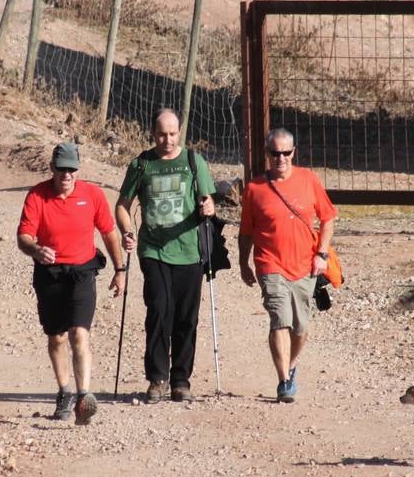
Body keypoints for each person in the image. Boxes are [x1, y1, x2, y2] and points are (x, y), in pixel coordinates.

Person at [17, 142, 126, 423]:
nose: (67, 175)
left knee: (79, 333)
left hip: (82, 272)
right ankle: (64, 391)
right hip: (50, 273)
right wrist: (36, 250)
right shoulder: (37, 196)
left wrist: (120, 269)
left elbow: (109, 233)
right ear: (52, 168)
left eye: (72, 170)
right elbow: (24, 236)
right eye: (62, 169)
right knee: (56, 336)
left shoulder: (92, 194)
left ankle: (83, 396)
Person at [115, 109, 216, 403]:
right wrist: (126, 230)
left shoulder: (194, 163)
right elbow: (122, 205)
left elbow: (207, 201)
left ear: (180, 132)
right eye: (162, 134)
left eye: (172, 134)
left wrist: (208, 207)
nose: (167, 140)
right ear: (152, 132)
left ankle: (181, 380)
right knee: (159, 309)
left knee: (187, 317)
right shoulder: (142, 164)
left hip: (189, 250)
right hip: (153, 248)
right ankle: (157, 378)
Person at [237, 128, 337, 404]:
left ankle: (291, 366)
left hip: (305, 265)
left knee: (300, 328)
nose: (280, 158)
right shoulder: (254, 189)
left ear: (294, 153)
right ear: (267, 155)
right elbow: (246, 232)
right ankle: (283, 381)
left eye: (285, 153)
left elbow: (328, 218)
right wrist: (244, 263)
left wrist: (322, 254)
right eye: (274, 153)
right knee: (280, 319)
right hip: (270, 264)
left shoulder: (308, 179)